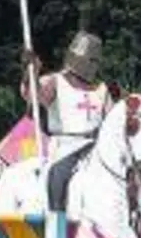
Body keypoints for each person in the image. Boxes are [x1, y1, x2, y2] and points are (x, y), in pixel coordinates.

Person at [22, 31, 113, 209]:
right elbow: (32, 95)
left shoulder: (102, 89)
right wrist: (31, 71)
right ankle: (56, 216)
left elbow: (111, 122)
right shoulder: (56, 81)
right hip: (65, 147)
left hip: (95, 148)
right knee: (60, 175)